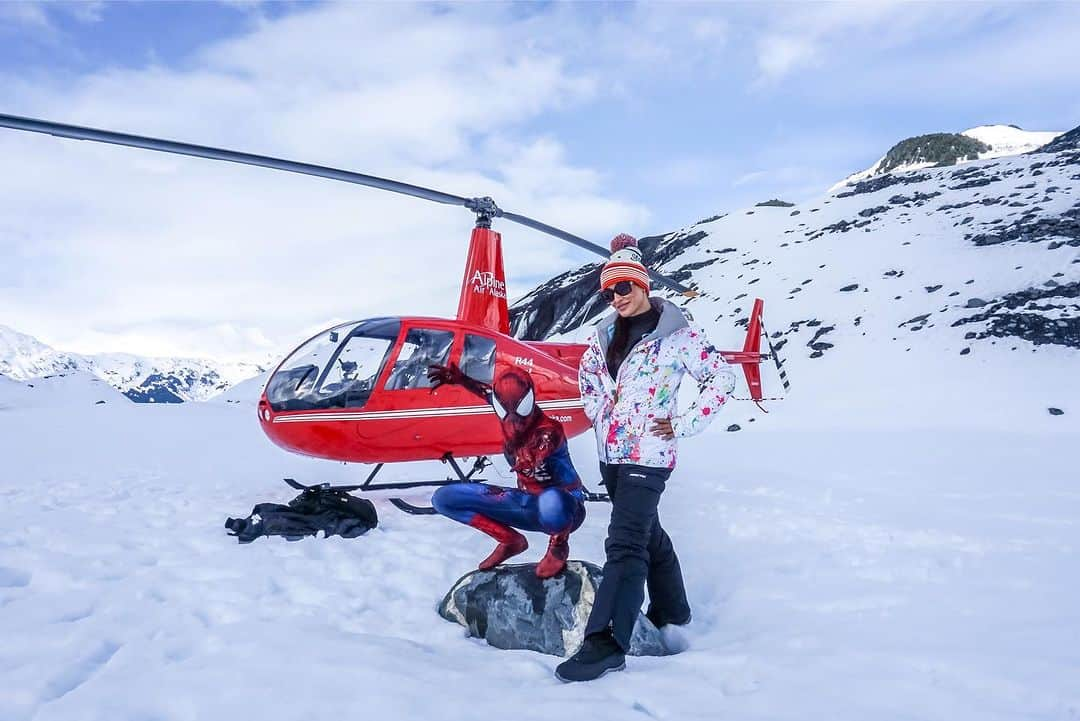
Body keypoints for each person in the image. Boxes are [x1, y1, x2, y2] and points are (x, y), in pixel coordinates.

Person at [555, 233, 736, 683]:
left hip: (651, 453)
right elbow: (589, 379)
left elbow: (721, 379)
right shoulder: (602, 336)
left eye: (624, 288)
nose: (616, 297)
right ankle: (674, 607)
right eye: (609, 290)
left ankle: (605, 643)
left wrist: (685, 422)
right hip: (611, 454)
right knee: (645, 530)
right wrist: (601, 414)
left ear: (642, 285)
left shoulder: (677, 335)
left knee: (625, 542)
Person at [427, 365, 586, 579]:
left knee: (551, 498)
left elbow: (544, 444)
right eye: (504, 410)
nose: (513, 421)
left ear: (530, 399)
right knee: (444, 499)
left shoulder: (549, 430)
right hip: (526, 502)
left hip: (566, 510)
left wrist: (531, 459)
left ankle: (558, 546)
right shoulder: (506, 411)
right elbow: (487, 394)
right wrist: (461, 379)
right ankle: (510, 540)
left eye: (521, 408)